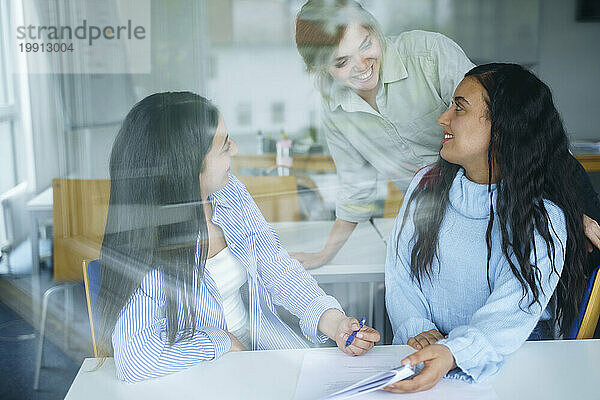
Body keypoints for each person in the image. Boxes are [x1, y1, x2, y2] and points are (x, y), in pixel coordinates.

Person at [293, 0, 600, 269]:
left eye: (365, 44)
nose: (362, 66)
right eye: (342, 62)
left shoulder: (428, 55)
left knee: (583, 289)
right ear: (321, 68)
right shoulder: (335, 107)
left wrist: (566, 211)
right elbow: (355, 190)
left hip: (546, 179)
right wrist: (325, 254)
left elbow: (512, 130)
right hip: (463, 211)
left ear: (374, 29)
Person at [95, 92, 380, 382]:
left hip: (264, 354)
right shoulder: (147, 244)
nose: (235, 148)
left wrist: (333, 321)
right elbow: (136, 359)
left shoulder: (230, 194)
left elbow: (278, 269)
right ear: (188, 165)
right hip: (200, 377)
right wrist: (221, 342)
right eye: (223, 145)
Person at [384, 64, 591, 393]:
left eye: (459, 108)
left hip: (510, 366)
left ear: (501, 129)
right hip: (429, 356)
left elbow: (510, 313)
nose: (443, 118)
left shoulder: (542, 219)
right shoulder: (426, 185)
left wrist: (454, 351)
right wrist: (417, 327)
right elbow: (401, 275)